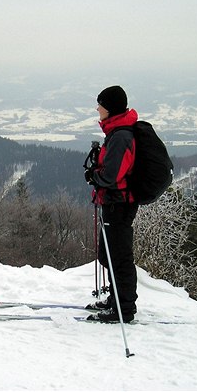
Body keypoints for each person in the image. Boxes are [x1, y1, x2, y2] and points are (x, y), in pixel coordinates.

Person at [84, 85, 139, 323]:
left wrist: (93, 176)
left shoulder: (121, 136)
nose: (98, 109)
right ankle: (116, 299)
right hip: (114, 202)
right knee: (108, 255)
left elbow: (112, 176)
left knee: (119, 257)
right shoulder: (116, 132)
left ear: (111, 108)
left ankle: (123, 310)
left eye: (101, 105)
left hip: (119, 204)